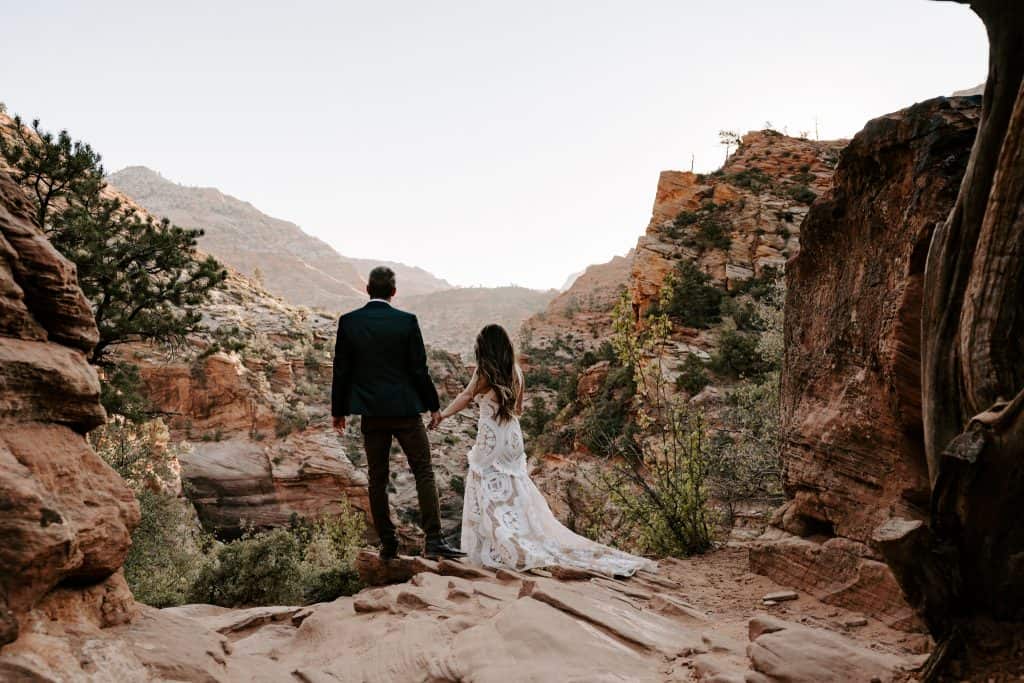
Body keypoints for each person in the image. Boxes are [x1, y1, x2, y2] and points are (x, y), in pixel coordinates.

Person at [434, 324, 655, 577]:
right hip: (513, 438)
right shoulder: (516, 371)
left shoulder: (485, 371)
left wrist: (443, 415)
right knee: (515, 489)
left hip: (492, 437)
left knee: (485, 487)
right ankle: (516, 540)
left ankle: (498, 548)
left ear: (483, 347)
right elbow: (518, 410)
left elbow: (464, 396)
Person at [331, 266, 464, 560]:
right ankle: (434, 541)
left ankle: (388, 544)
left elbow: (341, 371)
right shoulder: (406, 322)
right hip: (406, 411)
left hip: (371, 414)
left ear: (368, 290)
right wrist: (433, 405)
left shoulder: (349, 322)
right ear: (393, 292)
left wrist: (338, 411)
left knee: (377, 478)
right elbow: (419, 369)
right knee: (423, 472)